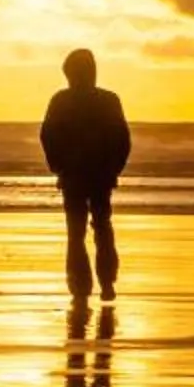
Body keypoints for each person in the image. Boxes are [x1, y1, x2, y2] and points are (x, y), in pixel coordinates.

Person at [40, 48, 130, 299]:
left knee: (76, 231)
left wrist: (57, 165)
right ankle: (107, 282)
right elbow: (122, 139)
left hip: (75, 175)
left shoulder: (61, 101)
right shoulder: (109, 100)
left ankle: (81, 286)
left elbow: (47, 136)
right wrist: (114, 167)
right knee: (102, 226)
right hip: (99, 174)